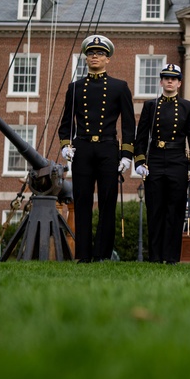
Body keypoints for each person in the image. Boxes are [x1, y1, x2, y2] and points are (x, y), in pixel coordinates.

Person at [58, 34, 136, 263]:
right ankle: (83, 254)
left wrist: (127, 154)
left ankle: (102, 254)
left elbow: (129, 124)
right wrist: (65, 145)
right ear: (86, 58)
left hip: (108, 149)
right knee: (81, 202)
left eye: (100, 54)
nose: (95, 57)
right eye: (91, 53)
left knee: (107, 203)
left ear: (107, 59)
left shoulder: (119, 87)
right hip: (82, 149)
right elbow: (66, 122)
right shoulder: (75, 88)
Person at [133, 64, 190, 264]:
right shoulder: (150, 106)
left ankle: (171, 257)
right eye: (166, 78)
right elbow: (142, 136)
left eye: (174, 78)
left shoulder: (188, 107)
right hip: (155, 159)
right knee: (155, 210)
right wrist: (140, 160)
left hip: (177, 159)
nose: (170, 81)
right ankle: (155, 256)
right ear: (161, 81)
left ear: (179, 82)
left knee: (175, 210)